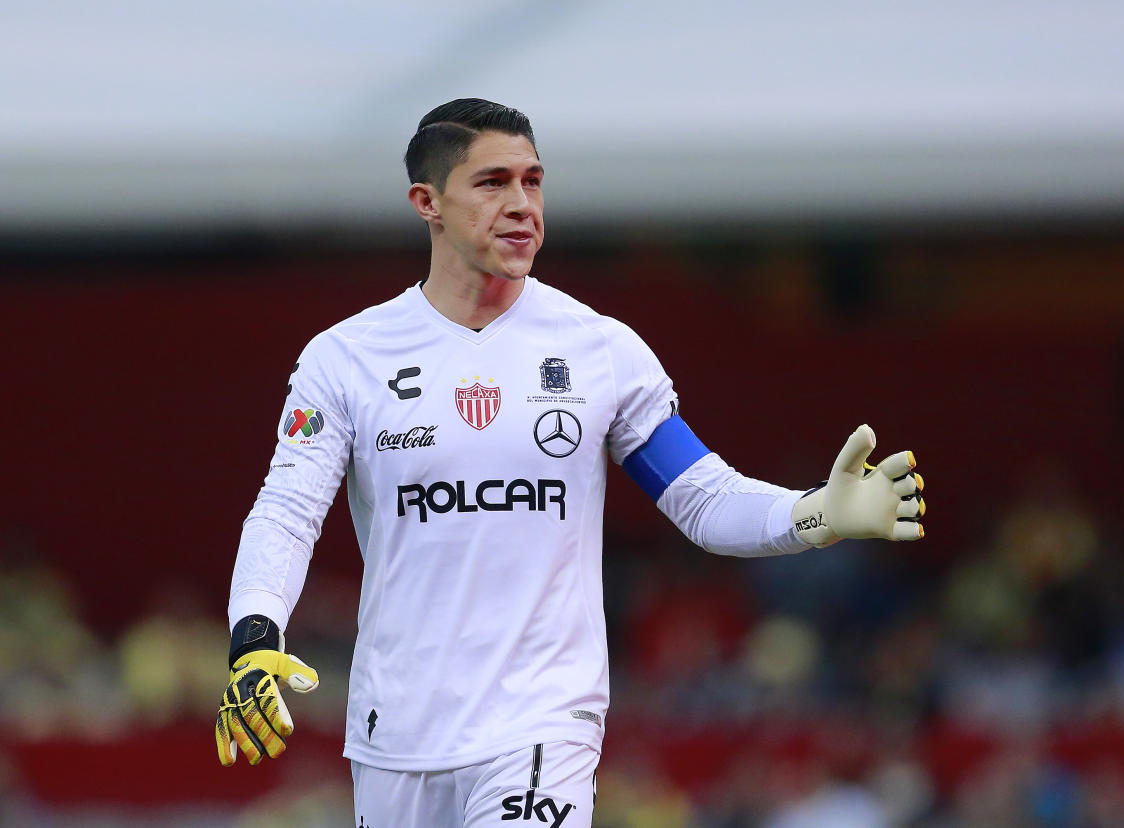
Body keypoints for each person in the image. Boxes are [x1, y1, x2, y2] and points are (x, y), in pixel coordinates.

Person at [214, 98, 927, 827]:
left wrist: (818, 513)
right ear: (426, 202)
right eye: (493, 183)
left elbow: (704, 499)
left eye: (534, 181)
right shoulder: (348, 358)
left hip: (540, 722)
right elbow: (288, 509)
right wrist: (254, 641)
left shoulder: (600, 351)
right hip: (394, 728)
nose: (522, 205)